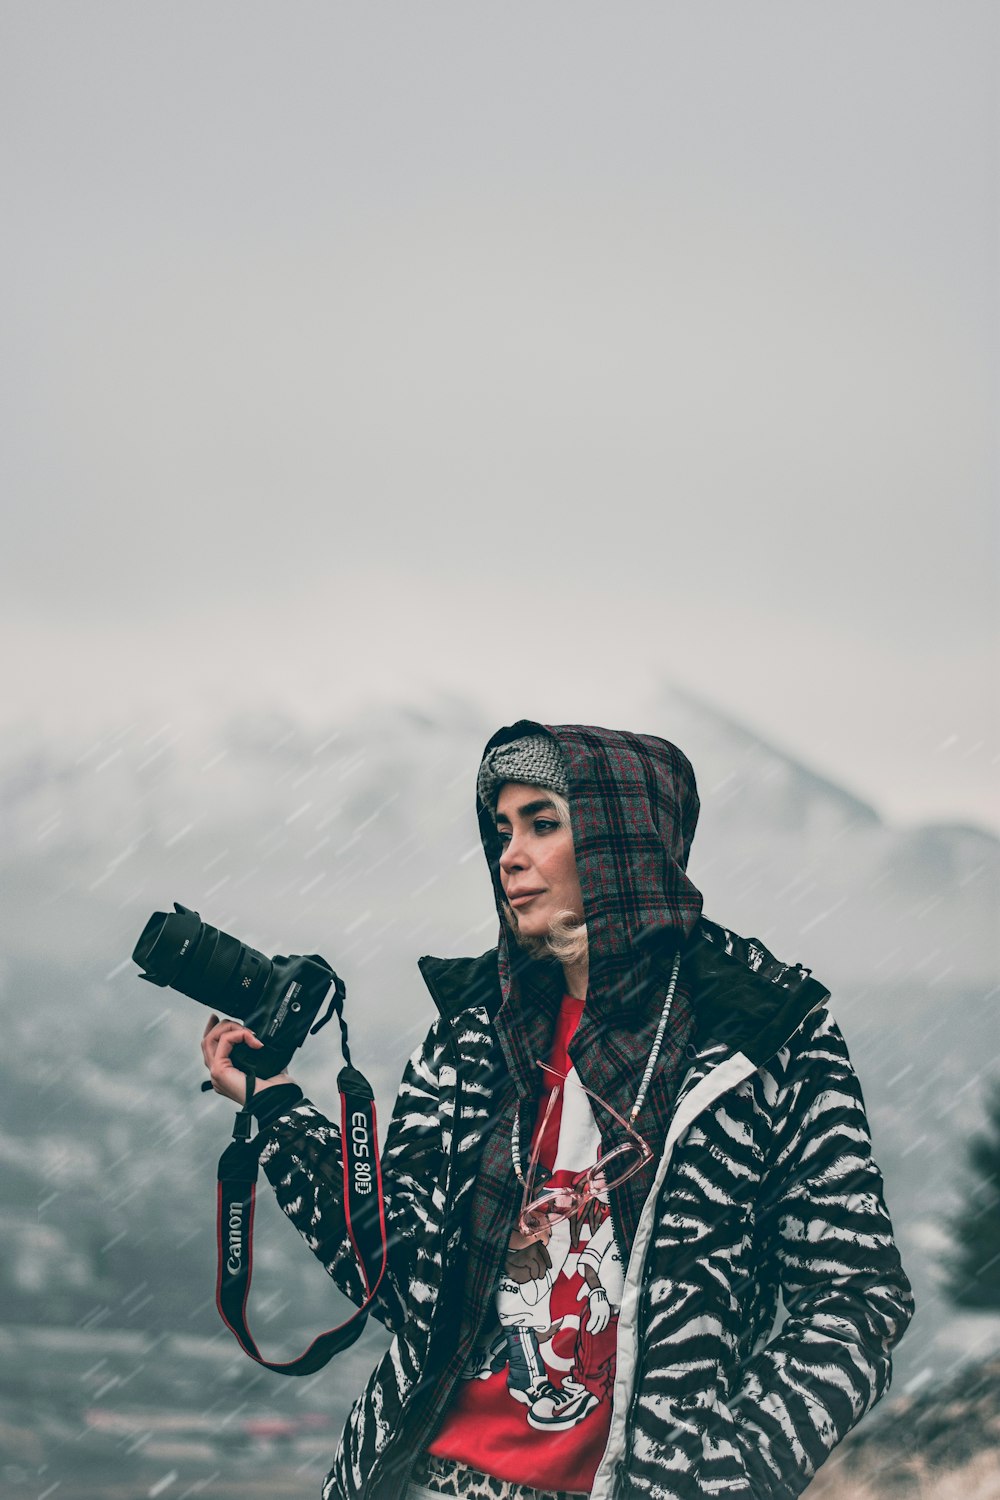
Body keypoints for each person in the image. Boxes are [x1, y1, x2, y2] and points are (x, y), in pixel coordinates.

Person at [201, 720, 914, 1500]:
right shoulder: (476, 1031)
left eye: (543, 823)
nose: (510, 854)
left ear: (623, 842)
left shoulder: (763, 1035)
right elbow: (397, 1276)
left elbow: (855, 1296)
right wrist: (276, 1109)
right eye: (502, 829)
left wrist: (723, 1477)